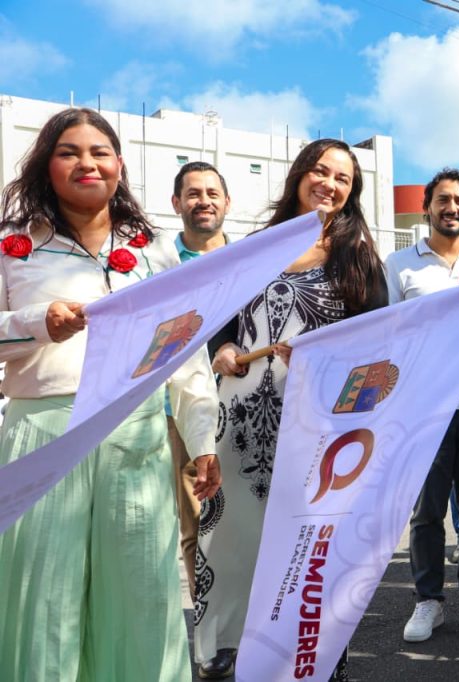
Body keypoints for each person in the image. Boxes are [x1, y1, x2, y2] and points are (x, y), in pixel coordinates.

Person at [0, 108, 221, 682]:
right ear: (46, 165)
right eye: (69, 152)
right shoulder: (13, 246)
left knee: (143, 595)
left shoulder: (155, 253)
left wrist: (202, 439)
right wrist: (37, 323)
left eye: (99, 152)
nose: (87, 163)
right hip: (45, 433)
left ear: (119, 165)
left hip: (136, 436)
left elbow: (184, 350)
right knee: (43, 598)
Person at [194, 139, 387, 680]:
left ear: (352, 192)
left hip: (315, 424)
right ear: (299, 175)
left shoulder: (360, 259)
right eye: (320, 171)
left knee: (308, 543)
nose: (329, 183)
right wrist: (223, 349)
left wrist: (328, 370)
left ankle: (310, 657)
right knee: (233, 535)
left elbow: (375, 350)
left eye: (343, 178)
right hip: (240, 420)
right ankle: (227, 649)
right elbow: (221, 323)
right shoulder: (254, 248)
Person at [385, 168, 459, 642]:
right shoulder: (399, 263)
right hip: (424, 410)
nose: (452, 208)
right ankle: (428, 600)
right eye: (443, 200)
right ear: (427, 208)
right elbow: (388, 335)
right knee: (427, 513)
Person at [168, 160, 232, 599]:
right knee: (197, 520)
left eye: (212, 193)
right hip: (178, 408)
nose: (203, 201)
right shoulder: (156, 262)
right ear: (176, 203)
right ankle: (207, 621)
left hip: (245, 401)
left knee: (247, 516)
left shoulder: (251, 262)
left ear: (228, 202)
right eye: (193, 194)